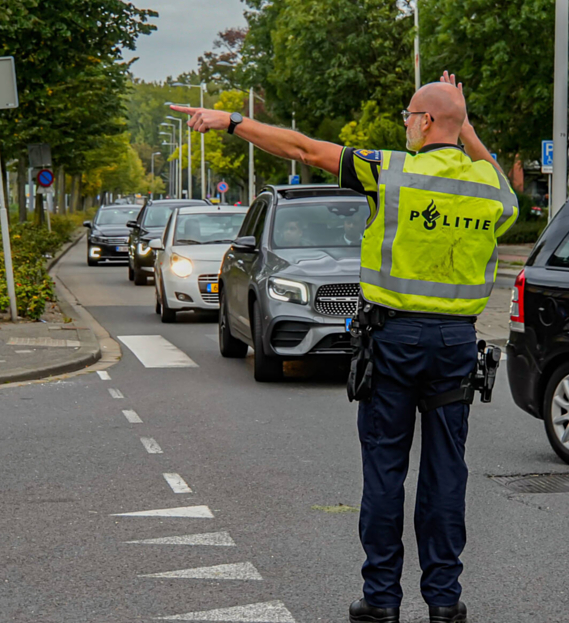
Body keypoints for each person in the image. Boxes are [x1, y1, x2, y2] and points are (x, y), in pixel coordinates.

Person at [173, 71, 518, 623]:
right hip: (456, 341)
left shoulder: (393, 171)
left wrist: (234, 121)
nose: (405, 124)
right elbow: (504, 186)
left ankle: (381, 601)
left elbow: (305, 149)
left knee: (386, 470)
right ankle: (445, 602)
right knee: (447, 473)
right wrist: (465, 124)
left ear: (426, 122)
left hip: (395, 339)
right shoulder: (488, 189)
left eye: (410, 115)